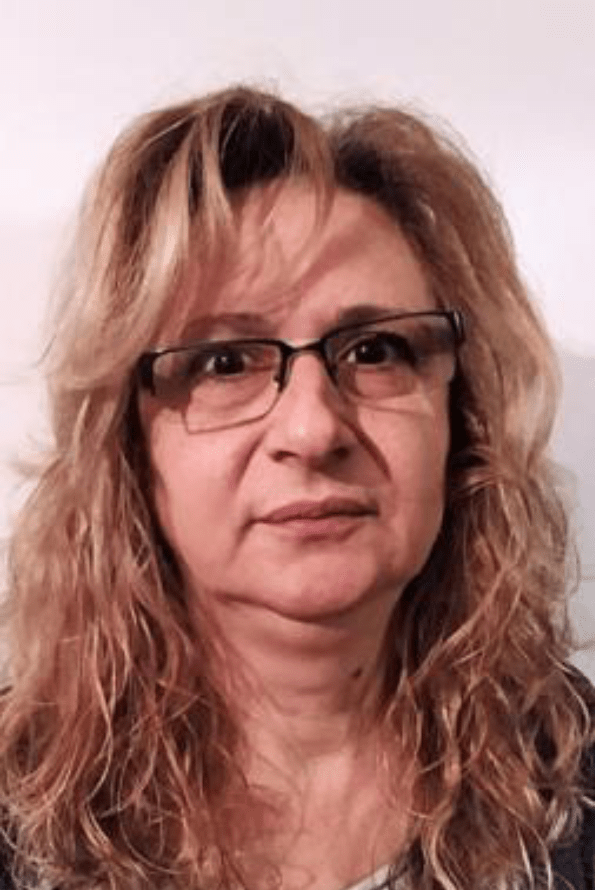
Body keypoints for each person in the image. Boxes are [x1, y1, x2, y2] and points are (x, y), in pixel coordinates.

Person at [0, 85, 593, 890]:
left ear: (462, 417)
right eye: (223, 362)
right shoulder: (16, 811)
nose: (312, 431)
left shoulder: (576, 788)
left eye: (376, 351)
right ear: (127, 443)